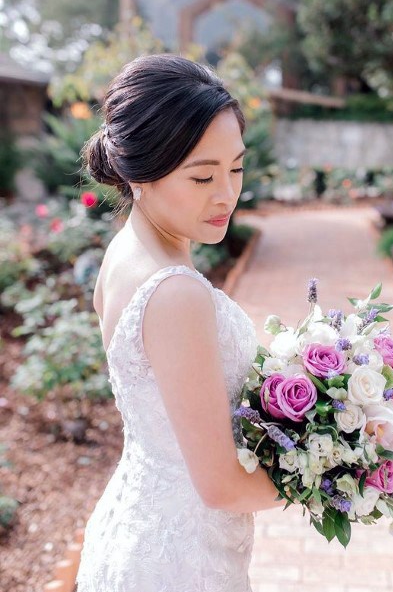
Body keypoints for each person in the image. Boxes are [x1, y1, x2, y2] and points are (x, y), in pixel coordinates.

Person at [75, 54, 285, 592]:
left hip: (139, 524)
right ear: (138, 174)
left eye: (236, 168)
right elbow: (221, 487)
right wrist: (338, 475)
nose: (227, 194)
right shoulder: (175, 293)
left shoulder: (127, 252)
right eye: (202, 176)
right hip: (179, 565)